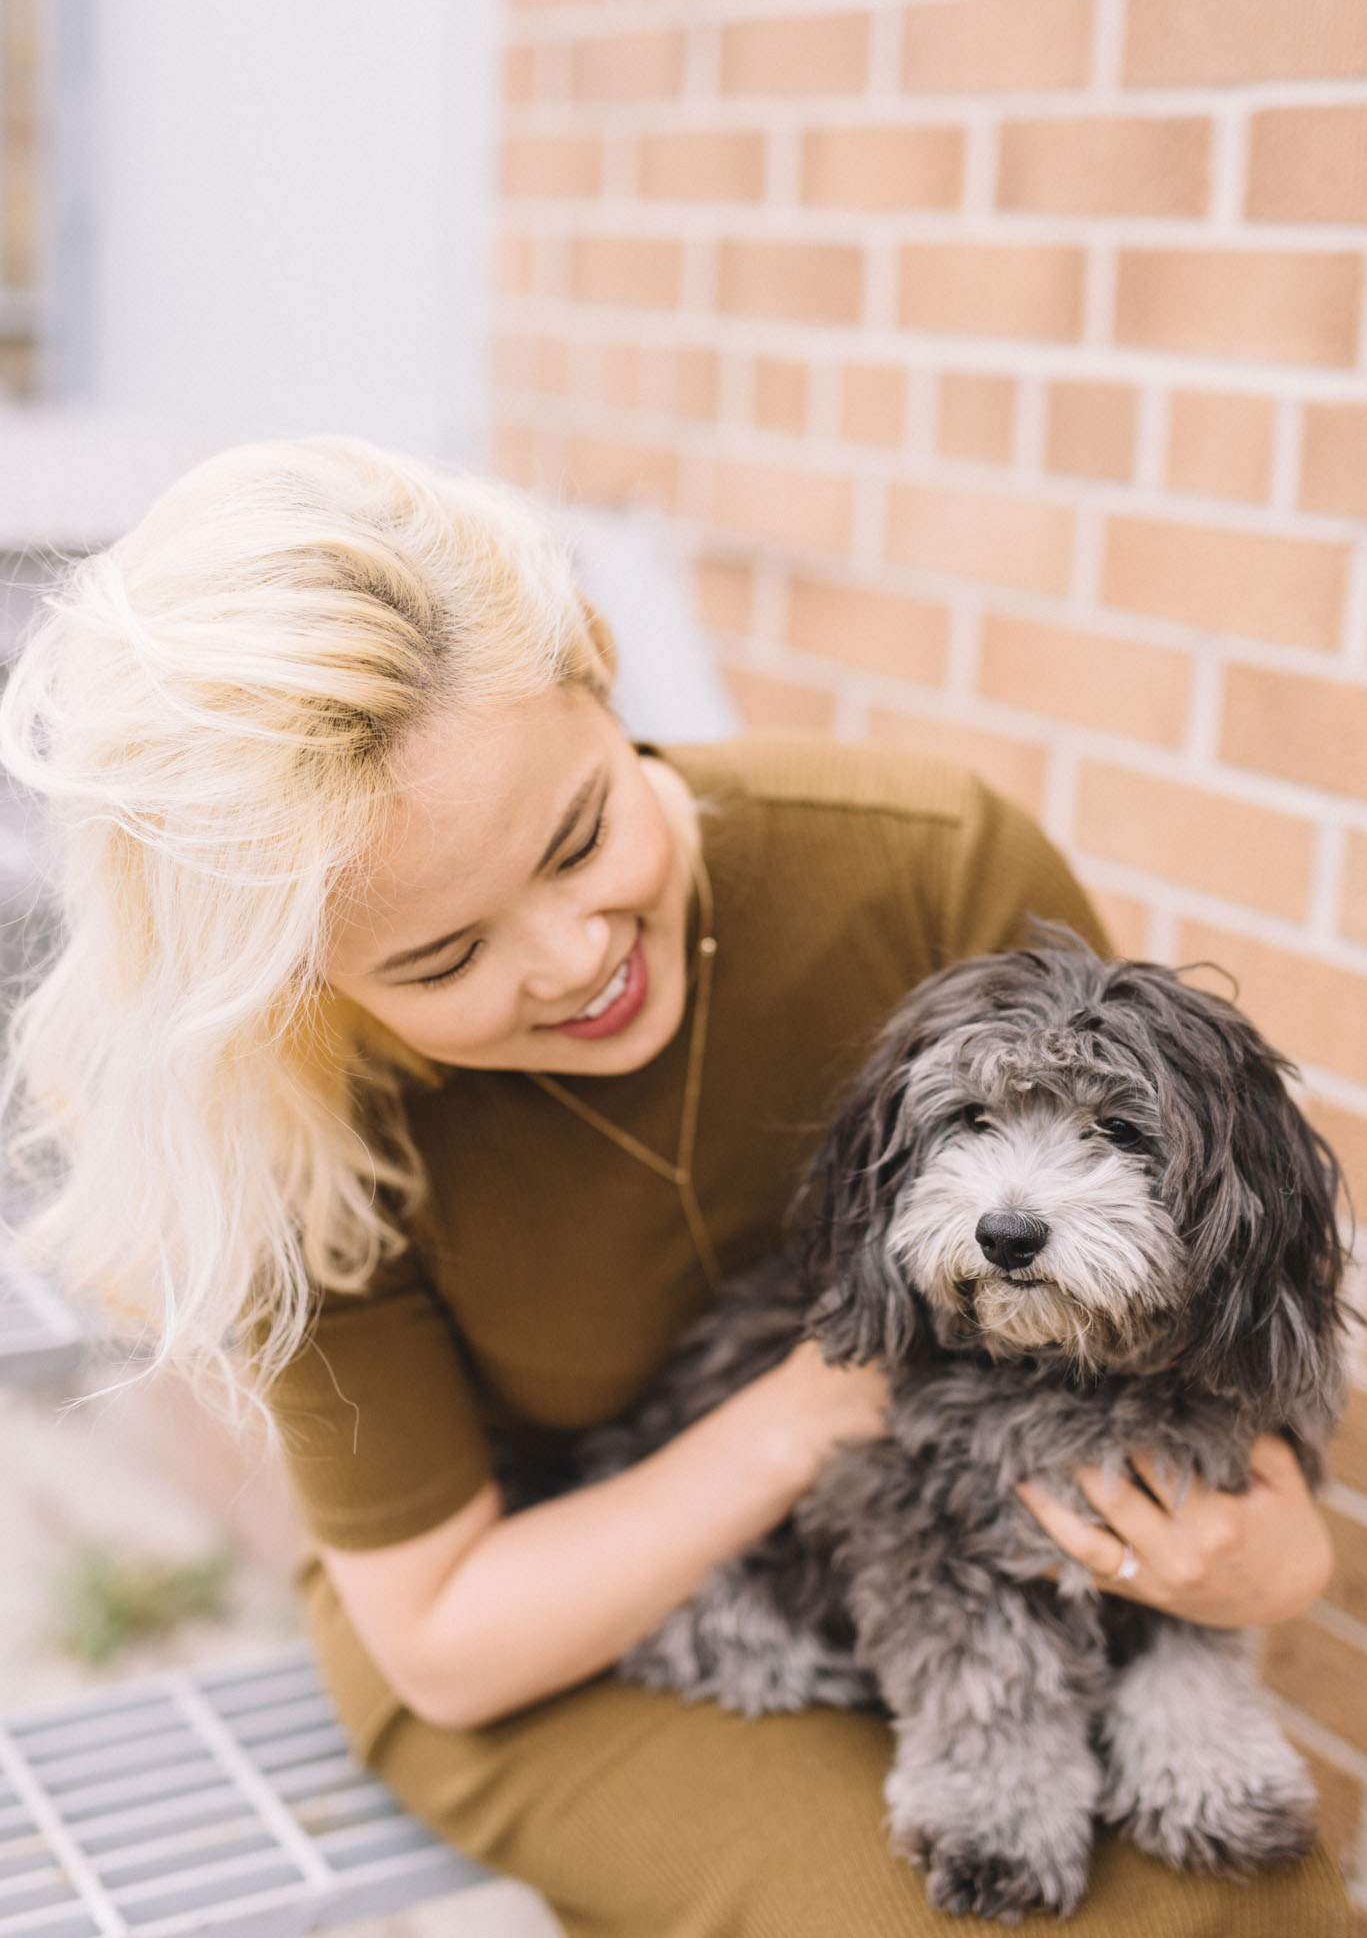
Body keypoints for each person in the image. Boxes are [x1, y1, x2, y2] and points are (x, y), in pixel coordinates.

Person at [1, 437, 1347, 1937]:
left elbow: (1182, 1259)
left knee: (1255, 1896)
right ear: (302, 981)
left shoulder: (925, 865)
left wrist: (1279, 1554)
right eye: (442, 958)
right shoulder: (283, 1118)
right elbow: (446, 1637)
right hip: (549, 1641)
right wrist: (811, 1405)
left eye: (581, 836)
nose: (573, 955)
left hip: (955, 1539)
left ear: (601, 663)